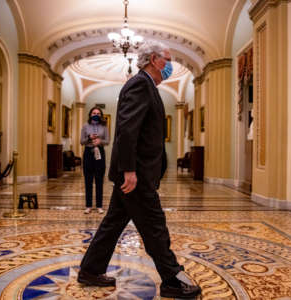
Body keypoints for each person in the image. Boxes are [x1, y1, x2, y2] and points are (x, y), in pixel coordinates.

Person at [77, 40, 201, 299]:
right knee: (155, 226)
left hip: (139, 173)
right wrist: (129, 170)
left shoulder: (148, 86)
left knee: (113, 223)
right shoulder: (139, 84)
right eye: (167, 60)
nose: (169, 65)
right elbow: (126, 131)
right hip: (137, 176)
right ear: (154, 59)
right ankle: (171, 280)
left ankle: (90, 270)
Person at [80, 107, 110, 214]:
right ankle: (88, 206)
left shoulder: (104, 127)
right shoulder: (85, 126)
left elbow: (107, 141)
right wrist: (89, 138)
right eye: (94, 113)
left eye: (98, 113)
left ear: (101, 115)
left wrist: (100, 141)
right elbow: (81, 141)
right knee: (88, 180)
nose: (96, 114)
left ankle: (99, 206)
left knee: (99, 180)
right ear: (90, 114)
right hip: (88, 153)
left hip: (100, 153)